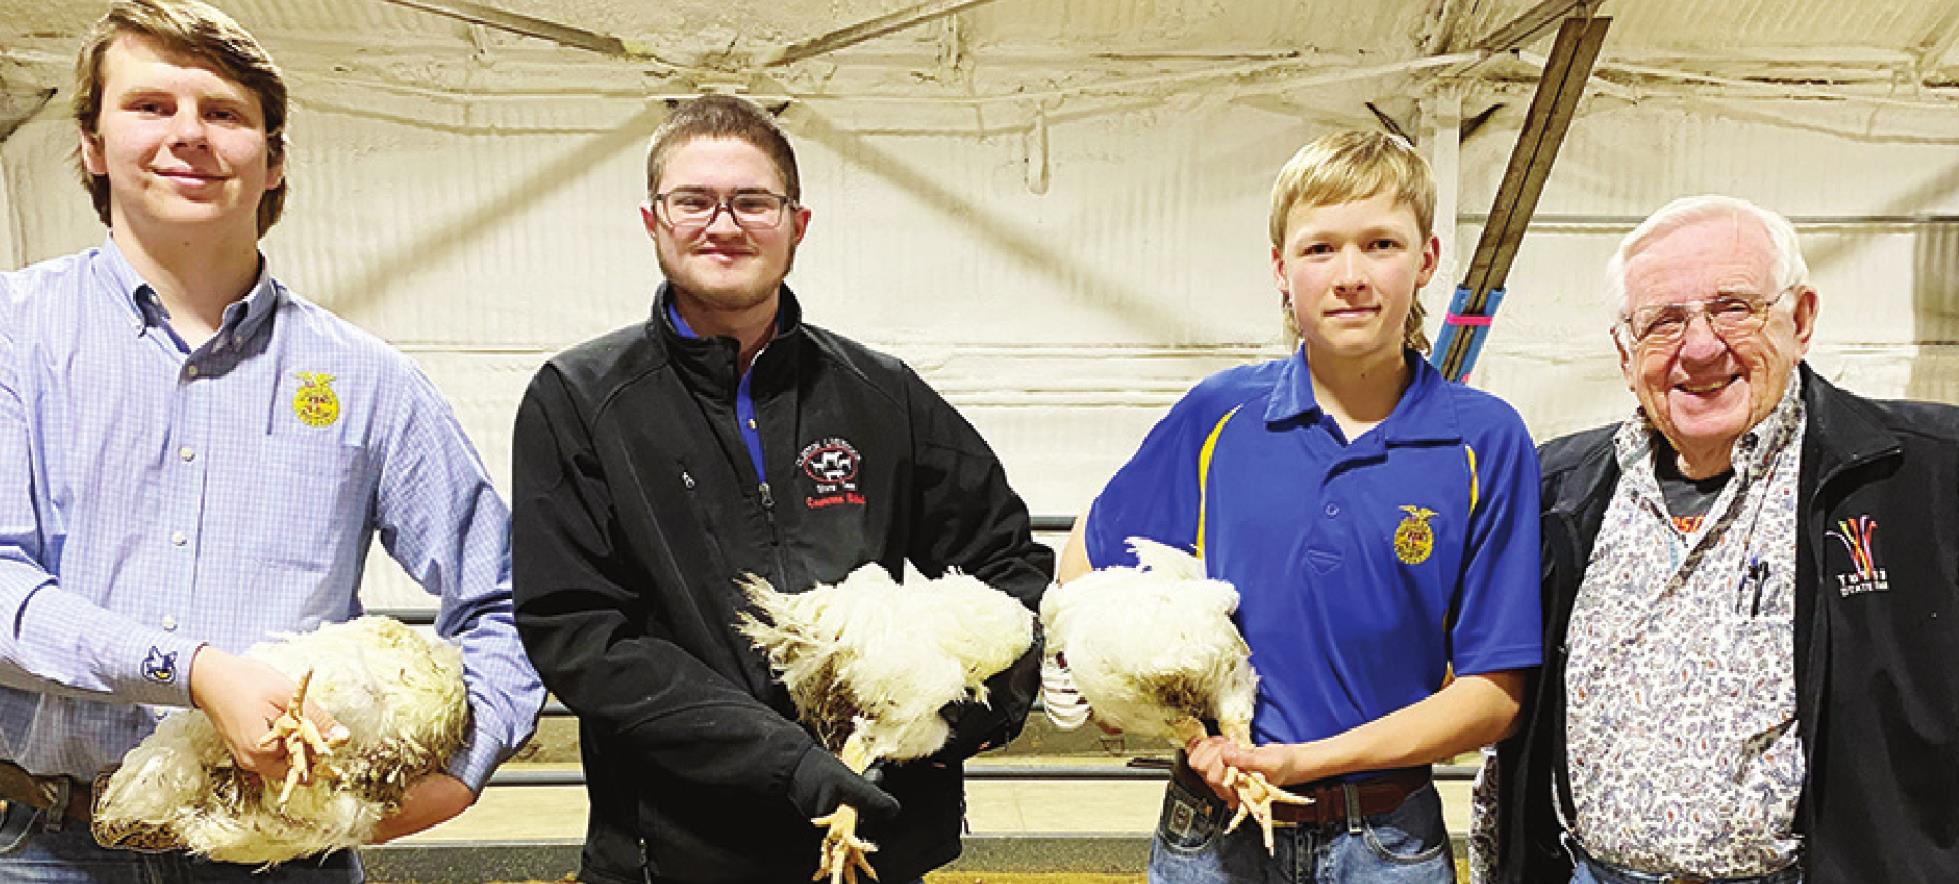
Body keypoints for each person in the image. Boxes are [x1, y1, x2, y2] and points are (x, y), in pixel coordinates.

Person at [0, 1, 544, 879]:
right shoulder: (14, 336)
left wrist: (462, 767)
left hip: (282, 852)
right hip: (47, 845)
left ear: (274, 158)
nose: (189, 135)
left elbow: (507, 596)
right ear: (94, 147)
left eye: (223, 113)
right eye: (149, 107)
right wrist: (194, 671)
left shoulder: (368, 381)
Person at [509, 94, 1053, 884]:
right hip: (677, 851)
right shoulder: (581, 401)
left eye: (752, 202)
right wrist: (782, 761)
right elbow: (582, 635)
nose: (722, 225)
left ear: (796, 225)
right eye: (692, 200)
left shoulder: (881, 394)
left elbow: (1007, 561)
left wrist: (962, 711)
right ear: (652, 220)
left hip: (871, 842)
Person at [1053, 130, 1542, 883]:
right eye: (1319, 249)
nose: (1349, 275)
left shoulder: (1482, 440)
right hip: (1209, 829)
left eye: (1380, 243)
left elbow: (1492, 696)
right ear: (1281, 270)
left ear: (1427, 260)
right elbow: (1089, 555)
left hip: (1385, 840)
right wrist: (1176, 723)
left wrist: (1299, 760)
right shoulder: (1218, 415)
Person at [1488, 195, 1959, 884]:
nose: (1700, 347)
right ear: (1625, 354)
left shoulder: (1924, 473)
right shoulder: (1554, 486)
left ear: (1798, 320)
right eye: (1663, 321)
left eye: (1732, 307)